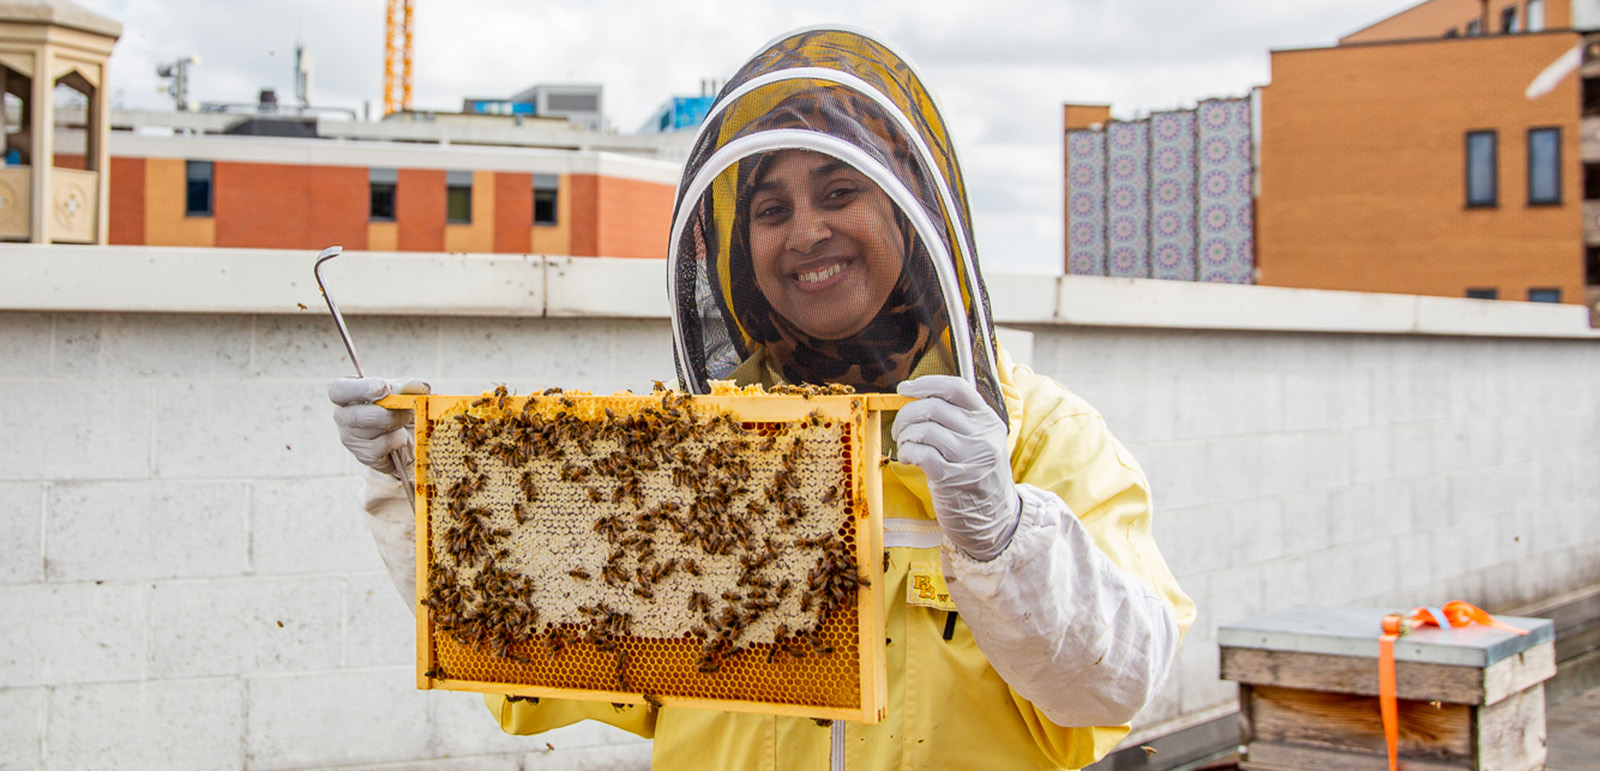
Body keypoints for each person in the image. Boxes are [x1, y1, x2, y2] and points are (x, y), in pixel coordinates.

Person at [331, 27, 1193, 770]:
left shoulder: (1046, 437)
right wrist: (430, 494)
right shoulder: (707, 444)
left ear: (910, 210)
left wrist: (1006, 535)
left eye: (840, 190)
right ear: (740, 249)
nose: (806, 231)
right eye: (770, 207)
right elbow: (539, 656)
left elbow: (1110, 686)